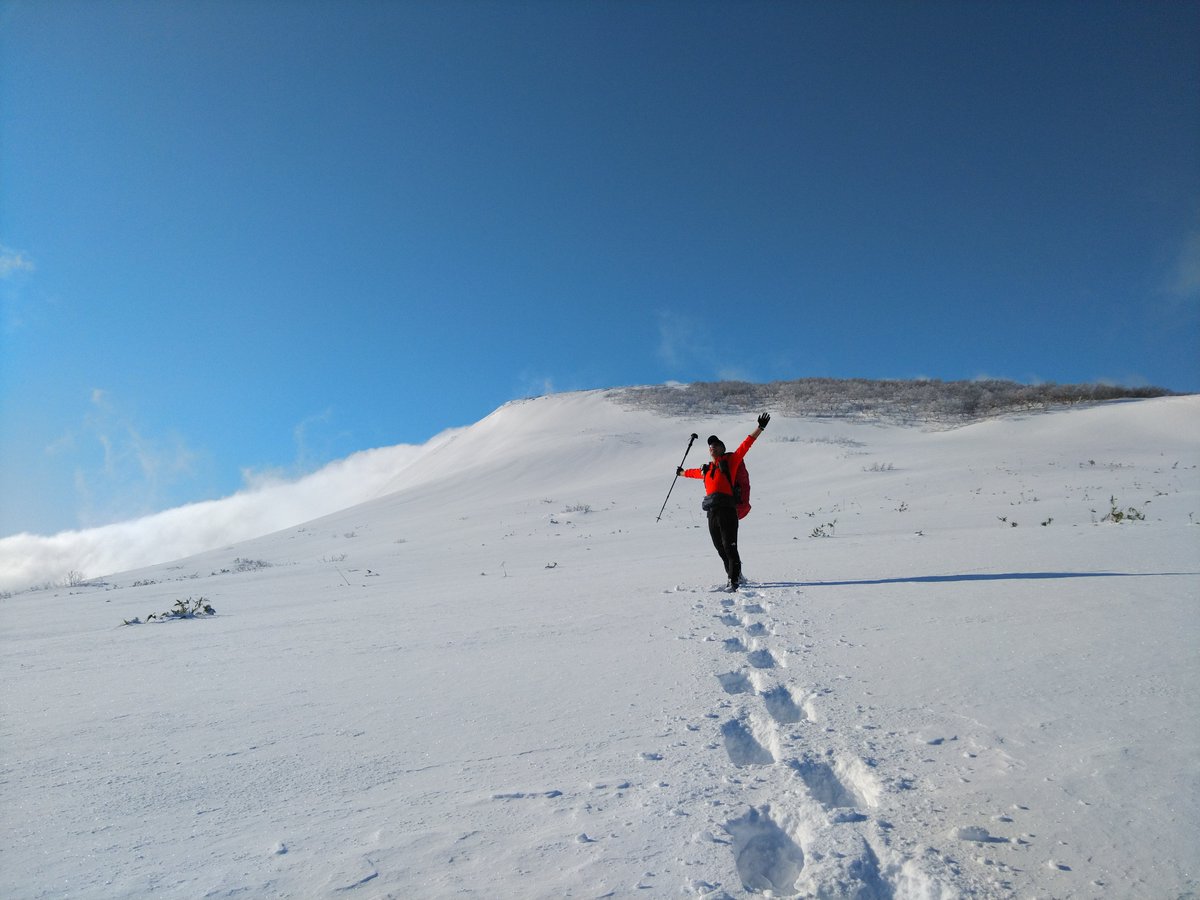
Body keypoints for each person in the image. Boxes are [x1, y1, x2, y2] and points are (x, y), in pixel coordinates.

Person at [678, 413, 770, 591]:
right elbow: (693, 473)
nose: (711, 447)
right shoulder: (707, 469)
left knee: (729, 546)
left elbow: (746, 445)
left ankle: (733, 581)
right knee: (719, 547)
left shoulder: (731, 461)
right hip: (712, 512)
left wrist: (760, 428)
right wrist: (681, 473)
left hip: (728, 510)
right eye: (710, 446)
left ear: (721, 448)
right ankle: (736, 574)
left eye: (715, 445)